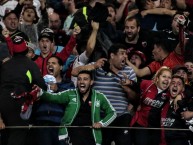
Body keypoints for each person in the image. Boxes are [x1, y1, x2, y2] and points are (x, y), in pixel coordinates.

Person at [71, 43, 138, 145]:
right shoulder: (97, 66)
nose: (125, 56)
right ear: (112, 55)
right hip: (100, 115)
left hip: (121, 115)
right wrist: (93, 66)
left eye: (126, 54)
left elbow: (134, 98)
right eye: (122, 53)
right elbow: (74, 72)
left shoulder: (129, 71)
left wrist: (127, 88)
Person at [38, 70, 117, 145]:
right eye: (79, 79)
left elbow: (112, 113)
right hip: (71, 135)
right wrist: (40, 92)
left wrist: (101, 123)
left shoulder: (99, 96)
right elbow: (53, 97)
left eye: (85, 79)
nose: (81, 81)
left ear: (91, 82)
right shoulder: (70, 93)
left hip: (92, 137)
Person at [0, 36, 47, 145]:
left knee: (5, 133)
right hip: (20, 104)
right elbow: (42, 86)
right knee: (18, 133)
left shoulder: (5, 65)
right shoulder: (30, 65)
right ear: (26, 50)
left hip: (3, 103)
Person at [34, 56, 75, 145]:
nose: (50, 65)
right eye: (48, 63)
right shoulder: (40, 83)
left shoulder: (68, 84)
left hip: (61, 125)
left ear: (61, 67)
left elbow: (73, 103)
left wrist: (58, 90)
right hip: (43, 124)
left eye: (53, 63)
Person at [130, 66, 172, 145]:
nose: (166, 79)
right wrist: (129, 82)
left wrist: (178, 97)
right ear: (157, 78)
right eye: (164, 76)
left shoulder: (169, 93)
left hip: (156, 127)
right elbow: (136, 86)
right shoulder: (147, 84)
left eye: (169, 77)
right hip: (141, 123)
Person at [160, 75, 189, 145]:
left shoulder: (186, 103)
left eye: (179, 84)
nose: (175, 85)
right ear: (169, 86)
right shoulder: (161, 100)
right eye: (173, 83)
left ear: (183, 89)